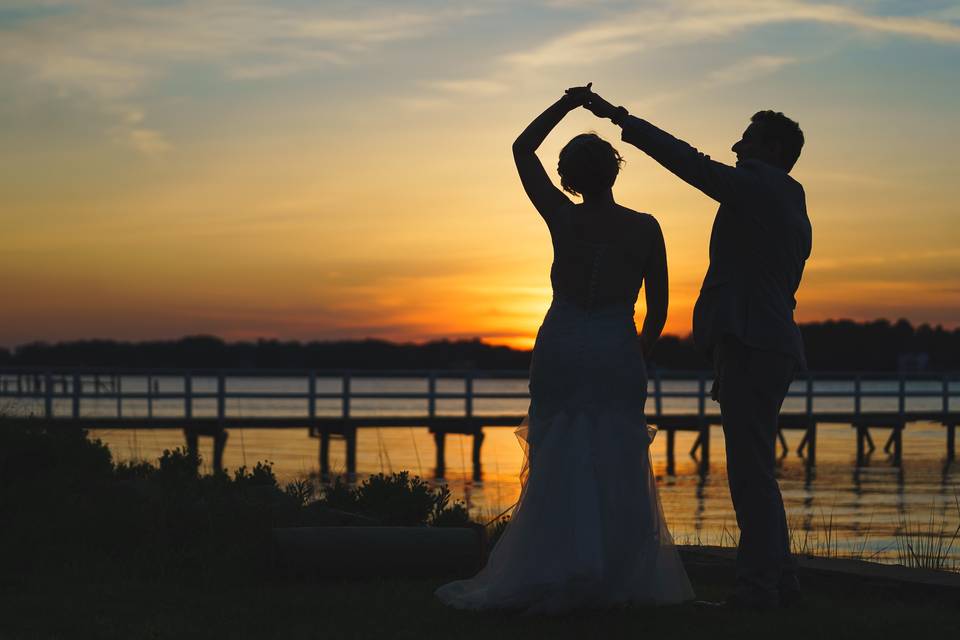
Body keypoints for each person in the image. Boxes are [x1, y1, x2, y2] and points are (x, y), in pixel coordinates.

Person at [434, 86, 694, 614]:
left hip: (562, 345)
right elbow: (661, 310)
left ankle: (556, 567)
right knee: (617, 458)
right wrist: (635, 353)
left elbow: (521, 150)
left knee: (558, 458)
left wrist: (567, 102)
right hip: (616, 348)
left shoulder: (563, 217)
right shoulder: (646, 228)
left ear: (570, 179)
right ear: (614, 172)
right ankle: (619, 575)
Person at [582, 89, 811, 609]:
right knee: (757, 468)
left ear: (773, 150)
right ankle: (783, 580)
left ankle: (757, 589)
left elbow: (687, 162)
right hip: (769, 344)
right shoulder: (792, 202)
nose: (736, 145)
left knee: (750, 472)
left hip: (752, 343)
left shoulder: (758, 187)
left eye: (748, 139)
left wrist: (621, 118)